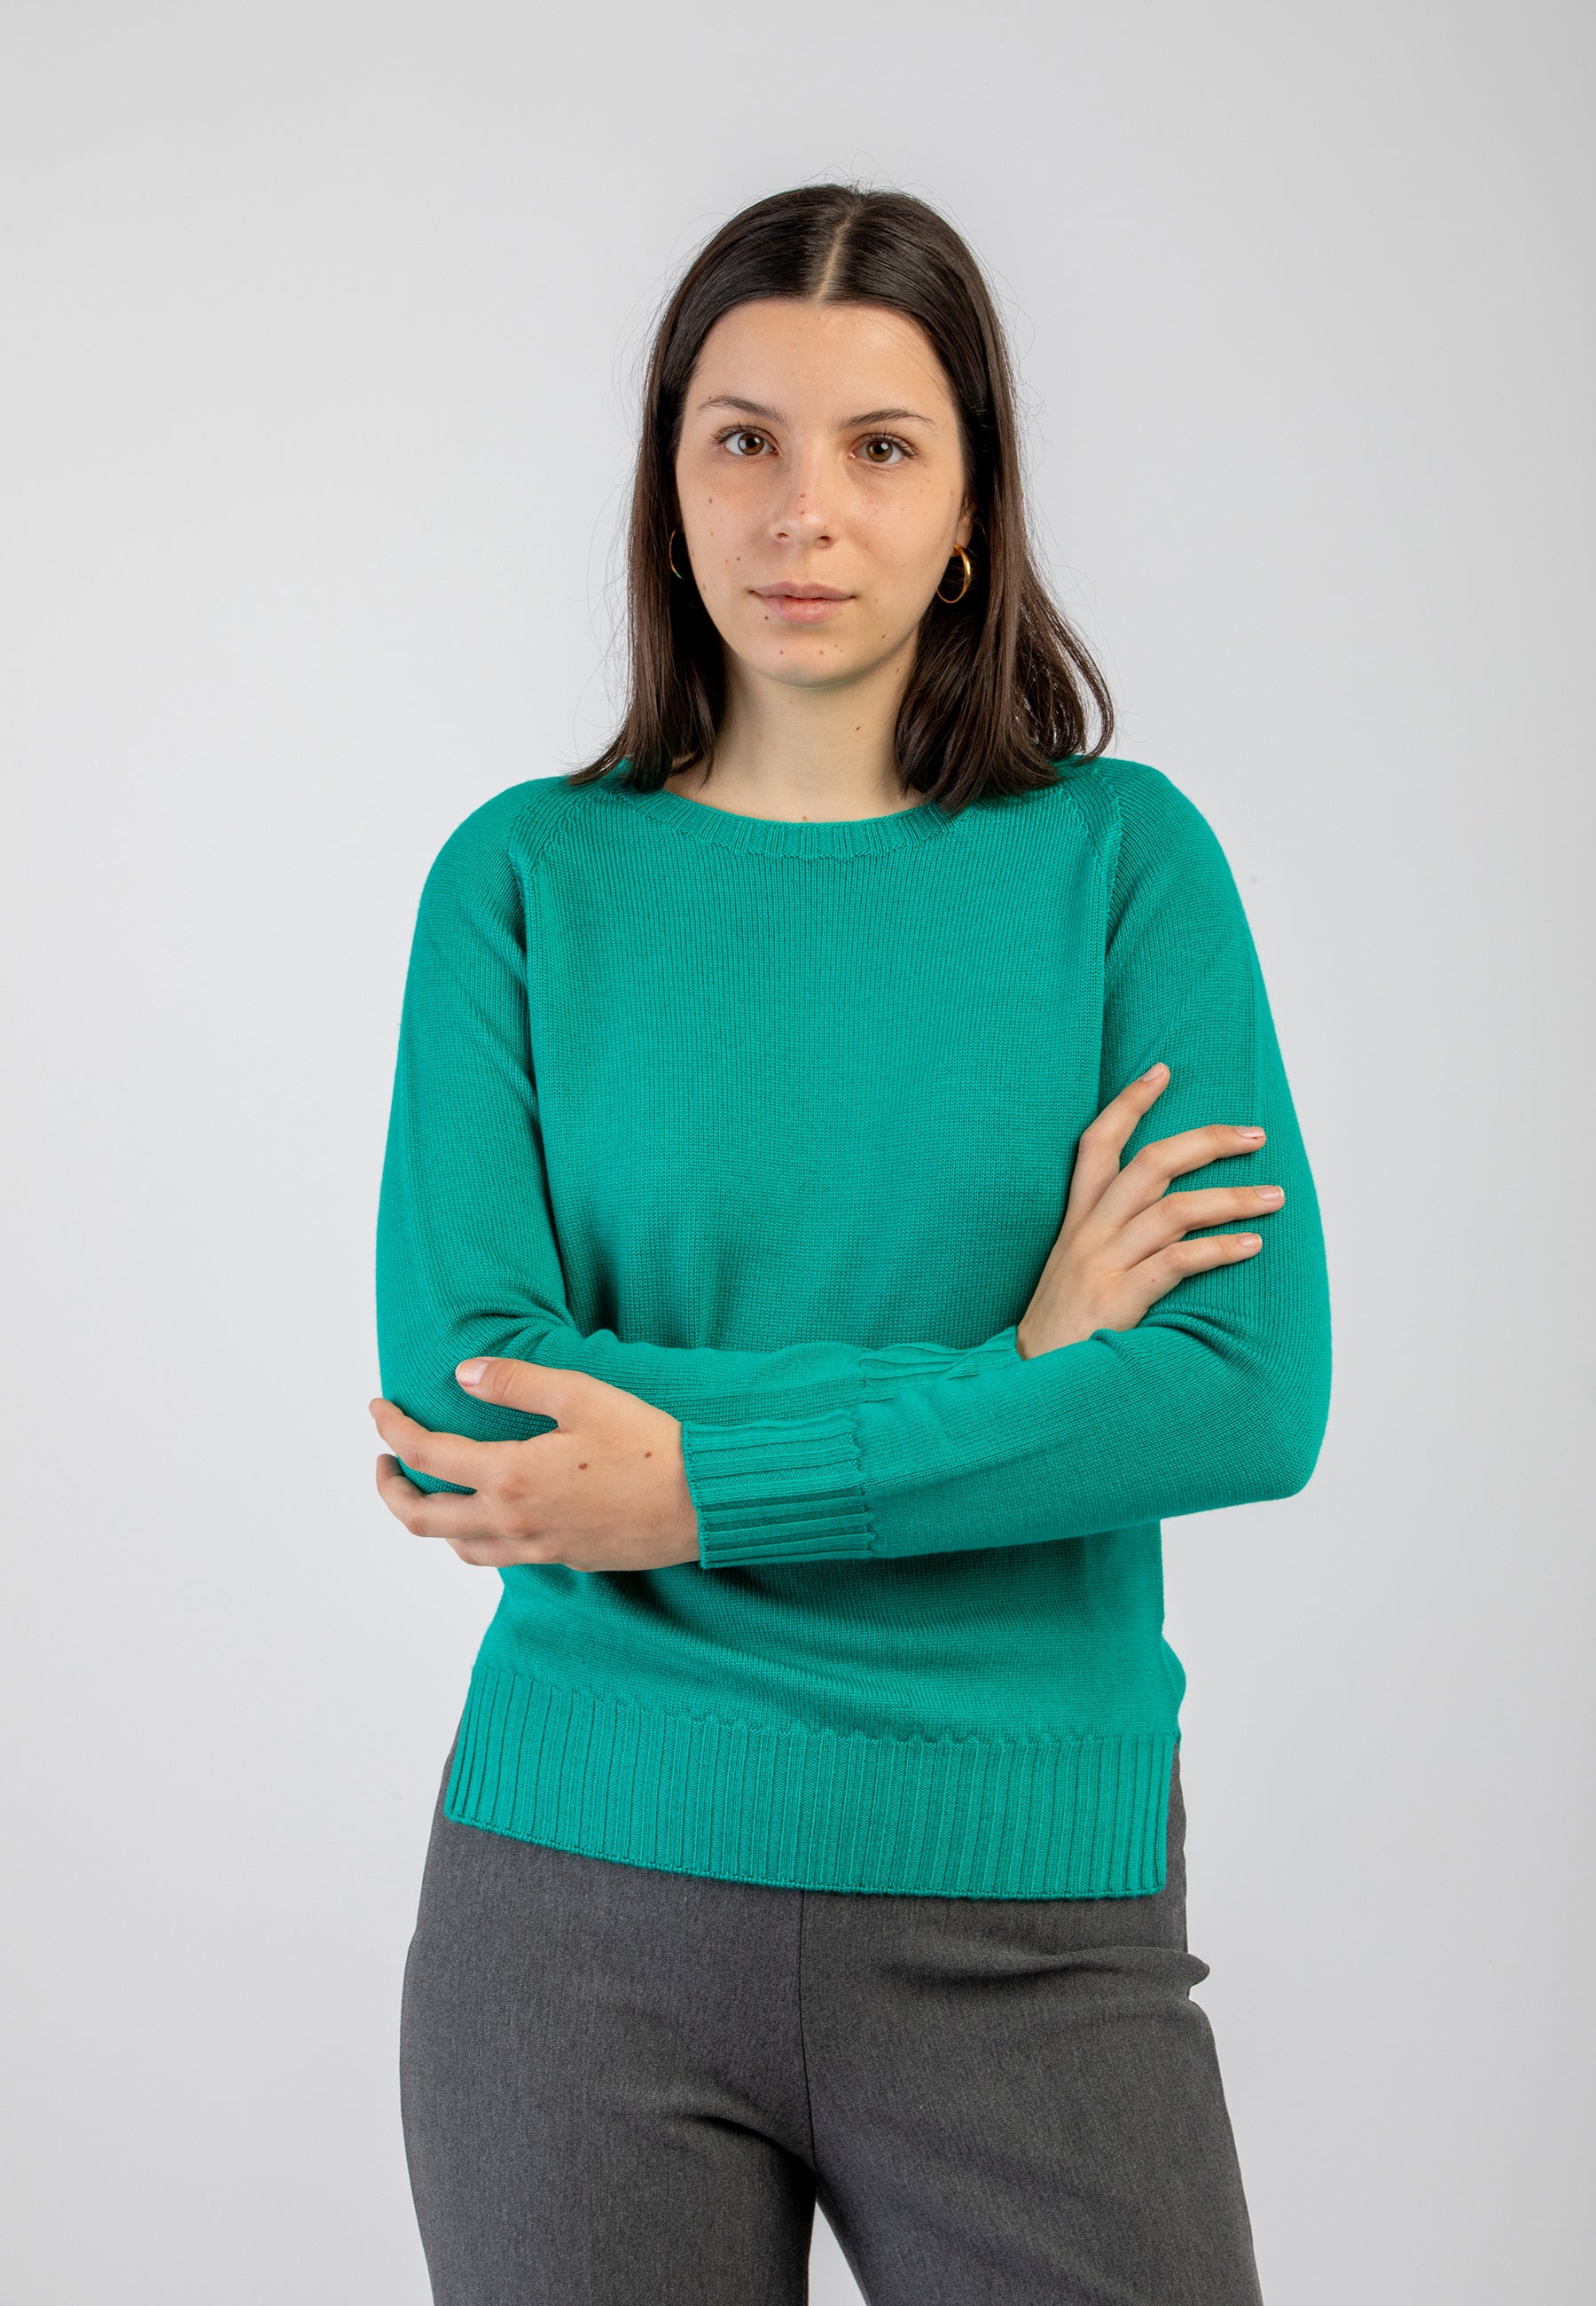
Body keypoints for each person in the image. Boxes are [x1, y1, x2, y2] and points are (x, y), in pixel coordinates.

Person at [369, 182, 1332, 2306]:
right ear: (671, 482)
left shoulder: (1121, 866)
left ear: (975, 503)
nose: (803, 510)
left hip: (1026, 1913)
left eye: (881, 445)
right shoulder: (522, 881)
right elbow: (470, 1402)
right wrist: (1025, 1375)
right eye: (744, 439)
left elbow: (1243, 1393)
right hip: (580, 1904)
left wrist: (691, 1478)